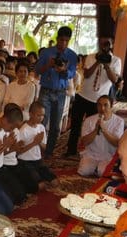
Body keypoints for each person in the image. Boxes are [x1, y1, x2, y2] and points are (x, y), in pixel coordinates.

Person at [65, 37, 121, 157]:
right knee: (75, 124)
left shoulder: (116, 61)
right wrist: (98, 61)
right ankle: (71, 150)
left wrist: (106, 65)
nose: (103, 46)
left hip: (99, 101)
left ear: (111, 44)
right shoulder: (91, 57)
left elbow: (114, 79)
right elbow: (87, 75)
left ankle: (90, 152)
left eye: (106, 43)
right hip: (83, 96)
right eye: (101, 43)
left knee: (93, 127)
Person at [36, 26, 78, 158]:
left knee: (55, 125)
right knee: (42, 122)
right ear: (57, 39)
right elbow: (37, 71)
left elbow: (71, 74)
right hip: (46, 90)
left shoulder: (72, 55)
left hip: (60, 92)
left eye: (66, 40)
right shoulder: (46, 53)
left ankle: (49, 151)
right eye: (61, 40)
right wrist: (48, 65)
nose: (63, 43)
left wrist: (64, 70)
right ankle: (37, 150)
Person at [77, 95, 125, 177]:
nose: (102, 108)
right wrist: (96, 130)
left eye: (105, 105)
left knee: (103, 172)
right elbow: (84, 142)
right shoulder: (89, 120)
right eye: (99, 105)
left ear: (111, 106)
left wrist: (104, 130)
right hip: (91, 155)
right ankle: (94, 167)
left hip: (108, 156)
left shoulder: (119, 121)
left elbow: (116, 143)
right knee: (84, 171)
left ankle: (97, 169)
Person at [17, 102, 58, 189]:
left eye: (43, 115)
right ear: (31, 114)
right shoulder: (23, 130)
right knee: (39, 185)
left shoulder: (41, 127)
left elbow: (45, 148)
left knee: (55, 182)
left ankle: (39, 177)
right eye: (38, 115)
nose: (41, 118)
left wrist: (39, 142)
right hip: (25, 162)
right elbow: (18, 152)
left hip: (38, 160)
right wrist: (34, 143)